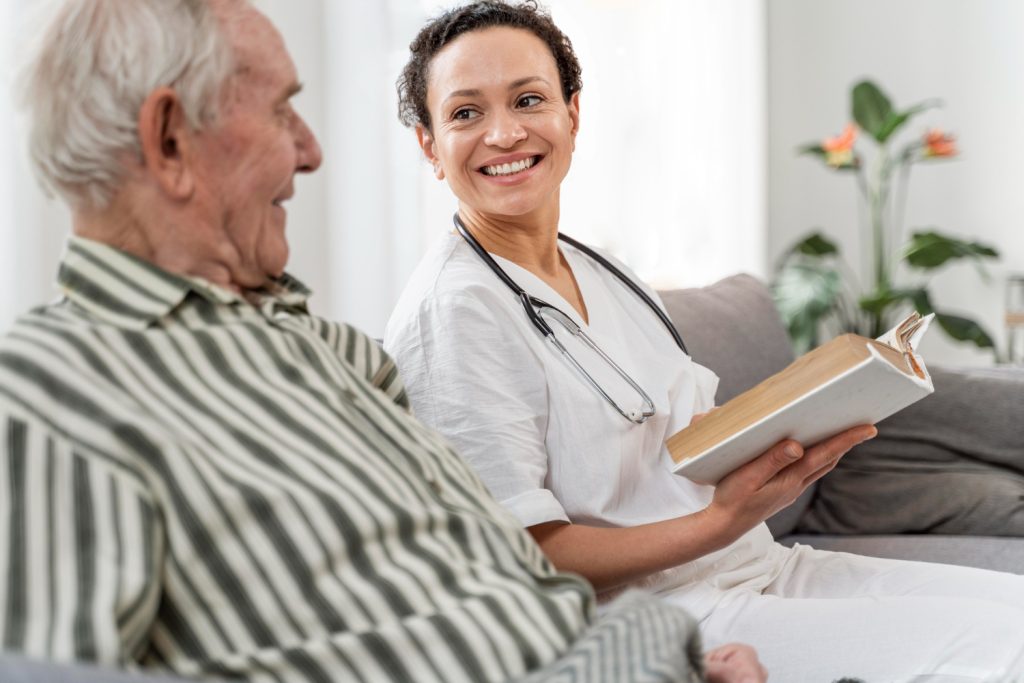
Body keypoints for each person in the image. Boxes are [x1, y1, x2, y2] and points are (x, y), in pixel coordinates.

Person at [0, 0, 770, 681]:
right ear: (169, 141)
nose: (310, 150)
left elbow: (492, 574)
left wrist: (671, 659)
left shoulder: (329, 350)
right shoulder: (55, 389)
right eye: (280, 111)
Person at [383, 1, 1024, 680]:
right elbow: (518, 552)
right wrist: (715, 524)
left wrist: (804, 419)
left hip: (758, 566)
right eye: (465, 113)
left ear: (573, 113)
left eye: (529, 99)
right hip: (658, 613)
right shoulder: (454, 313)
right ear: (429, 145)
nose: (505, 132)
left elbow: (679, 436)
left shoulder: (604, 271)